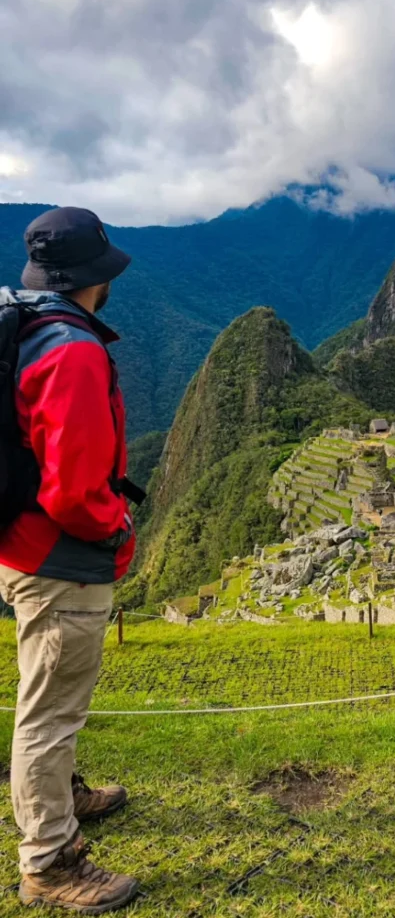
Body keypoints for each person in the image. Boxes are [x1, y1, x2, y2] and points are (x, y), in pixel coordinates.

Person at [0, 208, 140, 913]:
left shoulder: (27, 327)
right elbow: (78, 492)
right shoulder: (73, 352)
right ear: (97, 277)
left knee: (49, 696)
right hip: (60, 558)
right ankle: (49, 861)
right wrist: (118, 530)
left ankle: (63, 797)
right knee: (50, 712)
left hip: (21, 543)